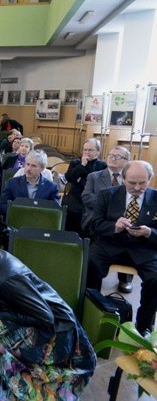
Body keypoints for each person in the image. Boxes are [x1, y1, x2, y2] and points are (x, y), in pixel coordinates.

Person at [0, 220, 96, 400]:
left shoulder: (7, 277)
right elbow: (2, 293)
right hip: (29, 321)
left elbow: (45, 317)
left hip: (55, 333)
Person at [87, 161, 157, 336]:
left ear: (150, 179)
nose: (137, 187)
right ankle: (91, 314)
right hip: (110, 244)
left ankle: (144, 326)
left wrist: (149, 232)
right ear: (123, 179)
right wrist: (114, 227)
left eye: (143, 182)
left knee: (156, 278)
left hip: (143, 249)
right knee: (89, 263)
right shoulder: (106, 195)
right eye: (132, 183)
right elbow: (94, 225)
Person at [81, 146, 132, 293]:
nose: (112, 158)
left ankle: (124, 278)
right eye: (110, 155)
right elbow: (86, 198)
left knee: (128, 228)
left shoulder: (129, 179)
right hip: (96, 216)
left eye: (117, 156)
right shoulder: (94, 176)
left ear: (126, 161)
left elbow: (132, 202)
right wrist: (109, 206)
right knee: (102, 229)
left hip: (124, 218)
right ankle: (94, 277)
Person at [63, 138, 107, 234]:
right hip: (75, 198)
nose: (87, 152)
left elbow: (91, 184)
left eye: (90, 150)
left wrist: (79, 179)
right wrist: (82, 165)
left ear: (98, 152)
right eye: (85, 150)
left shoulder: (102, 165)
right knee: (69, 210)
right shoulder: (75, 163)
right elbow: (69, 177)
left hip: (92, 199)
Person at [0, 150, 60, 215]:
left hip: (40, 222)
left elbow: (55, 210)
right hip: (17, 221)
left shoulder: (51, 187)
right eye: (27, 164)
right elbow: (3, 204)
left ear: (42, 169)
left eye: (33, 166)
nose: (28, 169)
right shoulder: (12, 183)